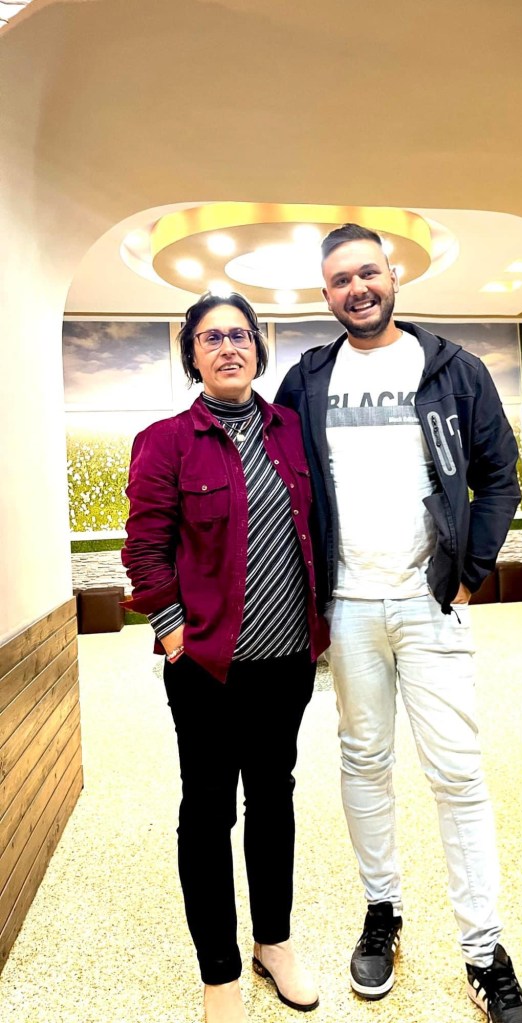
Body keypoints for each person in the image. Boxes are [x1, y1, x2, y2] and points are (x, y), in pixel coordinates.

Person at [276, 224, 522, 1023]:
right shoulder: (306, 379)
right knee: (363, 761)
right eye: (339, 279)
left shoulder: (452, 369)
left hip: (431, 601)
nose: (356, 288)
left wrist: (468, 570)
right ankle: (381, 911)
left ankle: (484, 951)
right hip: (348, 604)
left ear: (392, 276)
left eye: (368, 272)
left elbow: (500, 474)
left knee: (457, 773)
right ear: (325, 293)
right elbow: (285, 482)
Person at [122, 291, 329, 1023]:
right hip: (206, 668)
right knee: (207, 812)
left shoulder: (292, 432)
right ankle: (219, 974)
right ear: (193, 356)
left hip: (288, 661)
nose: (228, 347)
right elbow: (145, 547)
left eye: (240, 334)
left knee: (273, 799)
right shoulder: (165, 441)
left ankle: (274, 942)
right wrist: (174, 631)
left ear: (257, 349)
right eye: (210, 337)